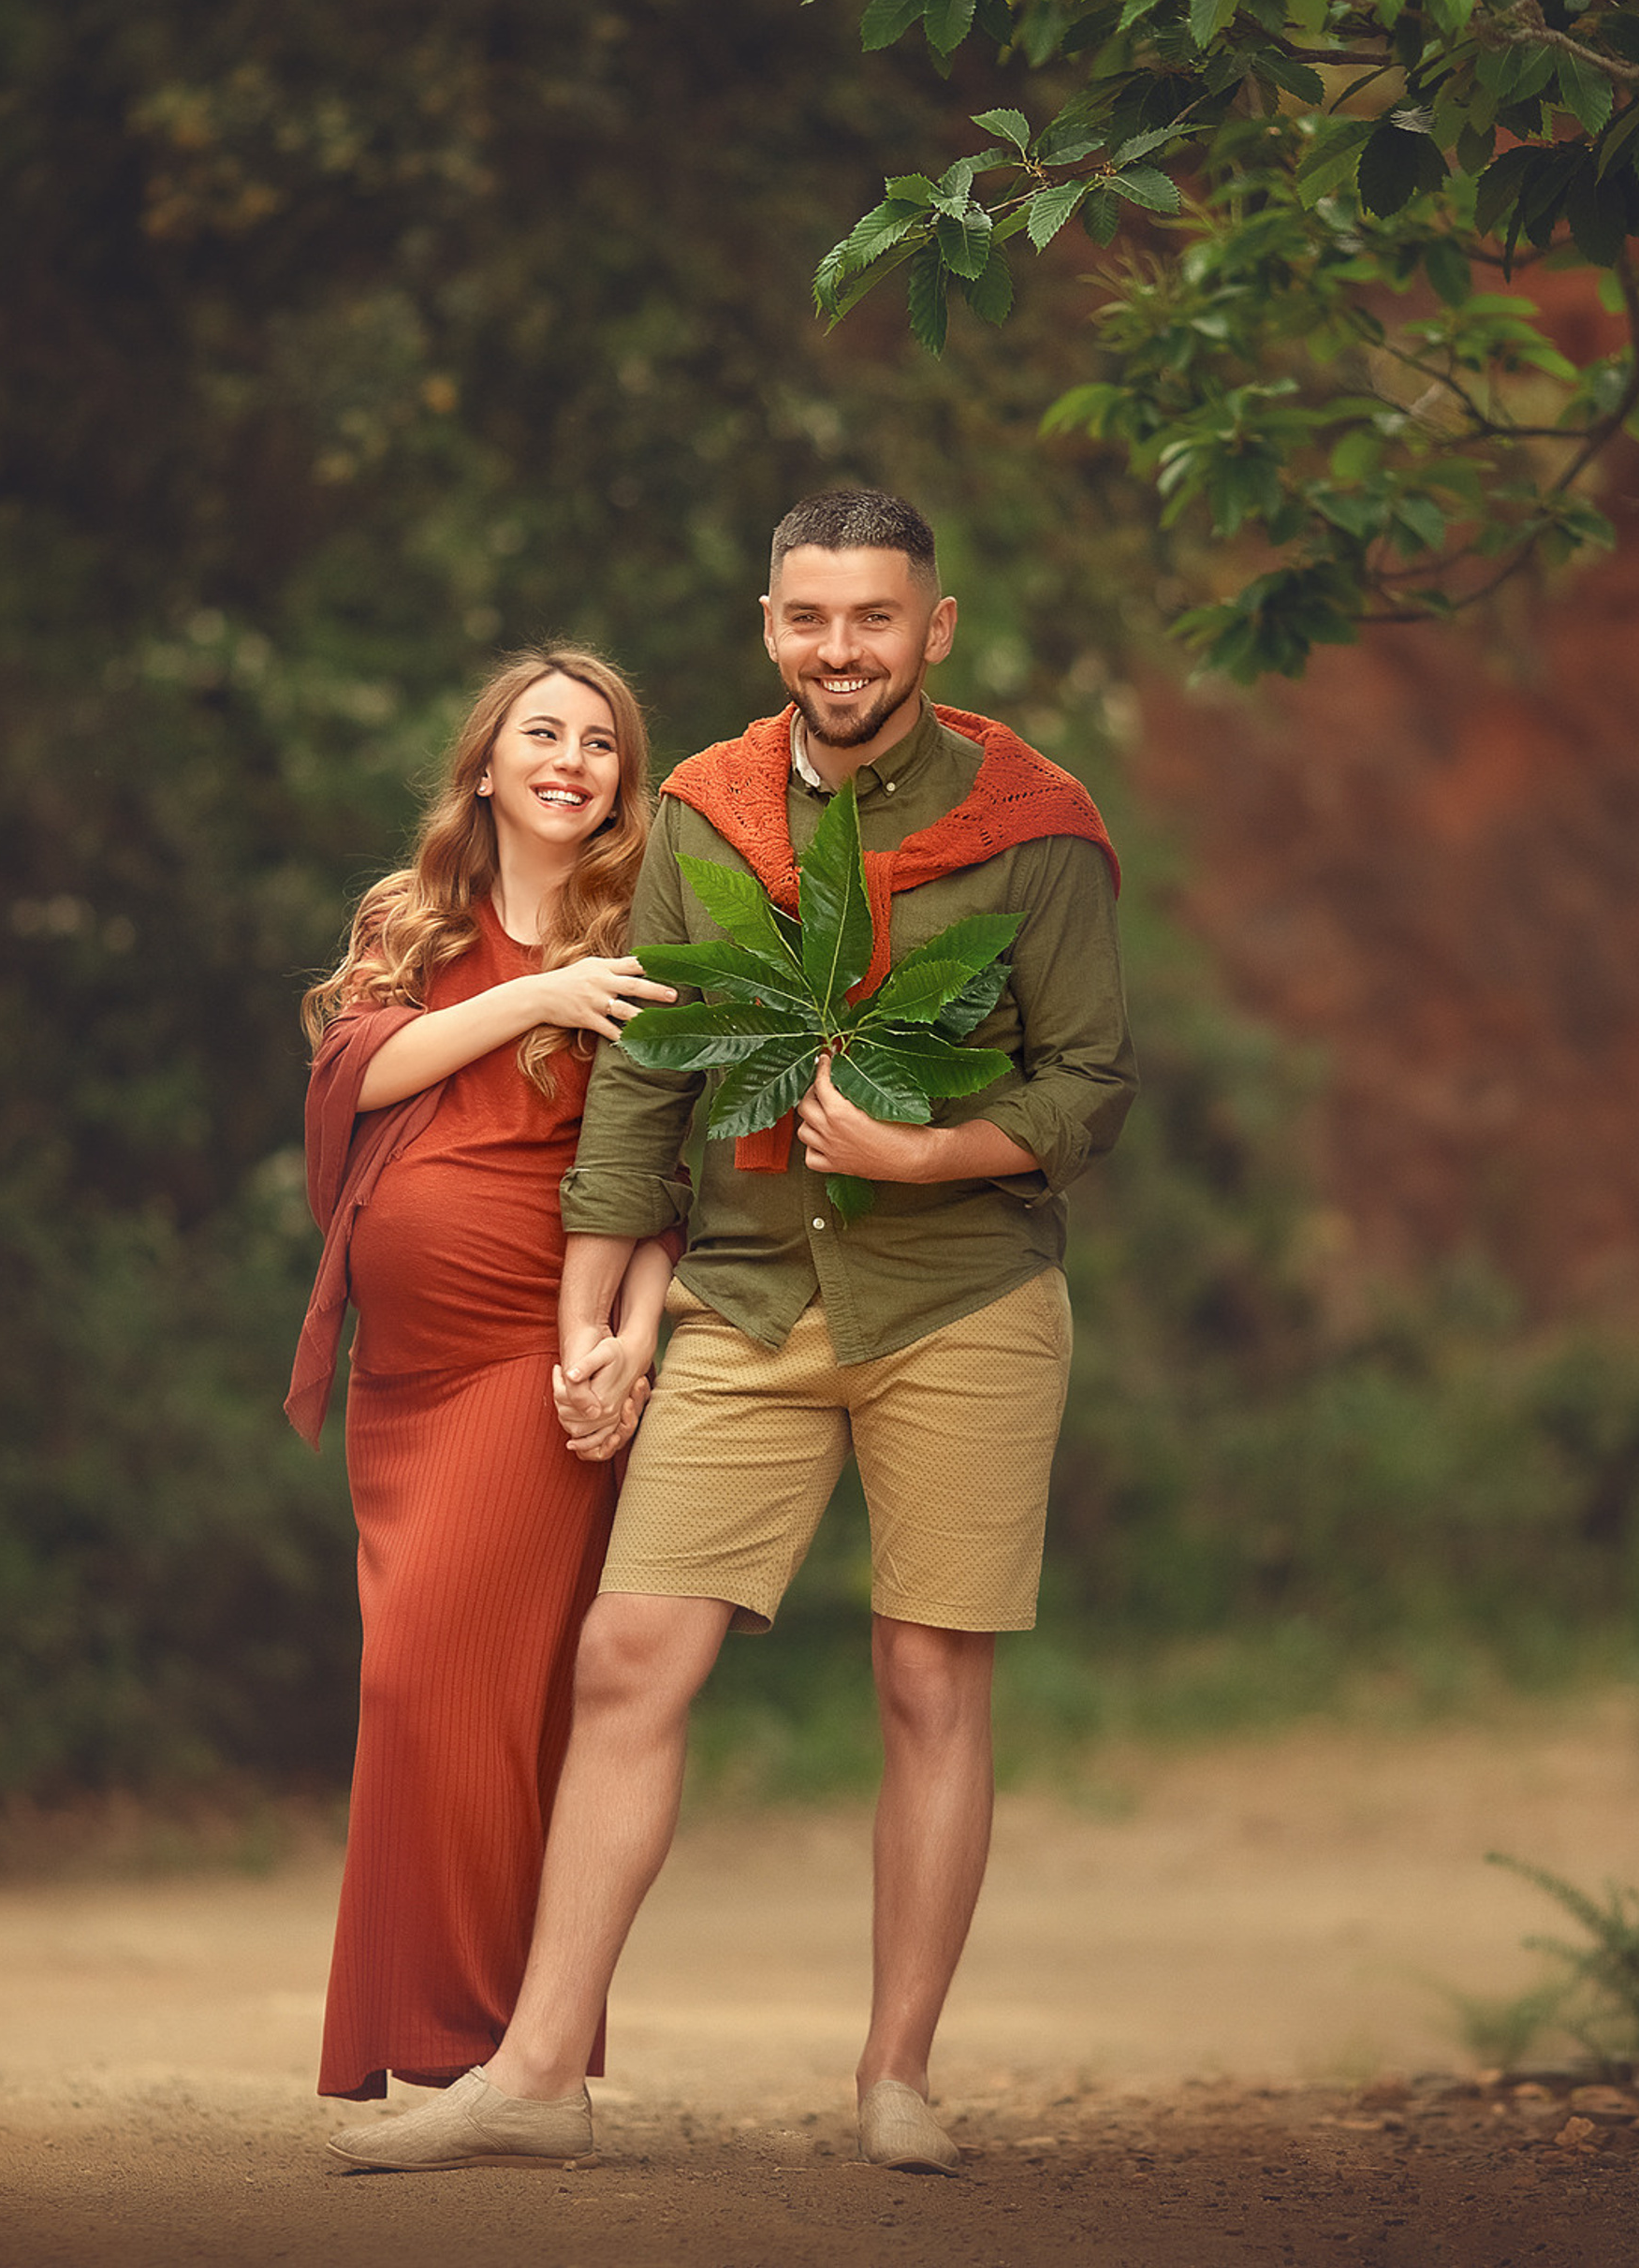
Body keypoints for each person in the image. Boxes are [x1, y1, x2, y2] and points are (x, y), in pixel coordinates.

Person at [326, 489, 1135, 2176]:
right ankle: (539, 2079)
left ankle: (895, 2077)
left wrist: (921, 1150)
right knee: (634, 1653)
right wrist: (591, 1319)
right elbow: (646, 1082)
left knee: (927, 1674)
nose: (840, 651)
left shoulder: (1036, 827)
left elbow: (1090, 1088)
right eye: (807, 619)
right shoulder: (710, 809)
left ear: (936, 629)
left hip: (963, 1295)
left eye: (873, 620)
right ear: (769, 624)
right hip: (752, 1297)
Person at [285, 643, 680, 2112]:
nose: (572, 759)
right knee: (461, 1697)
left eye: (600, 744)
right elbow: (355, 1075)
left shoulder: (643, 930)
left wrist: (627, 1333)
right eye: (544, 733)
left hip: (534, 1351)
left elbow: (671, 1172)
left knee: (440, 1680)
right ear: (488, 763)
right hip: (406, 1383)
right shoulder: (417, 919)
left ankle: (486, 2047)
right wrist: (536, 999)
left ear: (623, 785)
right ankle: (488, 2046)